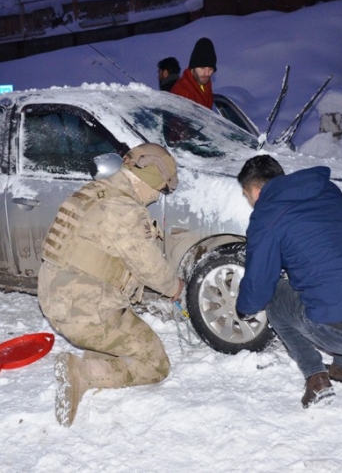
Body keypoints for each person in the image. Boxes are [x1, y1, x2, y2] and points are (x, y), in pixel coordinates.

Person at [235, 155, 342, 408]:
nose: (249, 202)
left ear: (255, 191)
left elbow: (259, 287)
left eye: (247, 196)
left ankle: (316, 378)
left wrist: (245, 309)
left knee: (276, 299)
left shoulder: (267, 217)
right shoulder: (326, 190)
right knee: (333, 287)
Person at [37, 143, 184, 427]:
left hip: (57, 298)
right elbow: (151, 269)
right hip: (85, 310)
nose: (156, 197)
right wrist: (175, 287)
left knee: (119, 331)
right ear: (147, 180)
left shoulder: (94, 192)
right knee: (156, 364)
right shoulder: (125, 210)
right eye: (160, 189)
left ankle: (99, 347)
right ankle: (83, 372)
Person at [169, 37, 216, 109]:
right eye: (202, 68)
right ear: (193, 67)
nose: (207, 73)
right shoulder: (182, 92)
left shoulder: (205, 84)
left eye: (211, 69)